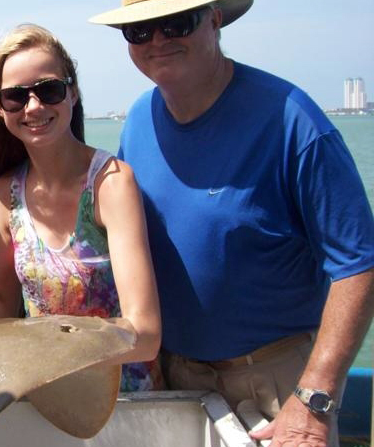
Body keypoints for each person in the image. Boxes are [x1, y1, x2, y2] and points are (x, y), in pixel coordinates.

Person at [89, 1, 374, 445]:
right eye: (139, 31)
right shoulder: (139, 121)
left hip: (278, 386)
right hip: (174, 376)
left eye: (175, 22)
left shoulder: (292, 119)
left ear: (215, 19)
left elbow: (358, 265)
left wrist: (314, 395)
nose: (158, 40)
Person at [0, 24, 163, 390]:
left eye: (49, 90)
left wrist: (43, 340)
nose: (34, 107)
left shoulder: (111, 183)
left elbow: (144, 335)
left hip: (120, 395)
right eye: (15, 97)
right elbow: (3, 301)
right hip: (44, 393)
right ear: (0, 107)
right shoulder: (7, 190)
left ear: (73, 93)